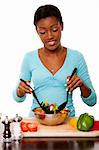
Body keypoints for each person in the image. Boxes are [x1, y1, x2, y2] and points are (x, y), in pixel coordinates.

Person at [13, 4, 97, 117]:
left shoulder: (76, 57)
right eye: (43, 32)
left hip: (67, 122)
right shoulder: (29, 58)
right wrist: (20, 90)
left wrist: (82, 85)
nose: (49, 36)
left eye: (54, 29)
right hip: (37, 122)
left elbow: (92, 101)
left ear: (61, 26)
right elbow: (18, 98)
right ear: (37, 31)